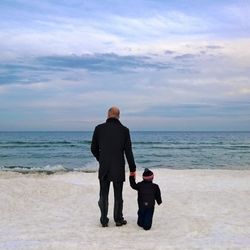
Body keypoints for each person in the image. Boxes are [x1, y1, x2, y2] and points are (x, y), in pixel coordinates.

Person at [91, 106, 136, 227]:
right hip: (118, 167)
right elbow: (128, 152)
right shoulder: (124, 130)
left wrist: (101, 159)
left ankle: (104, 220)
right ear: (119, 116)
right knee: (118, 195)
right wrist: (133, 169)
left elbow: (93, 148)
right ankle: (118, 219)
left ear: (108, 114)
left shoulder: (99, 128)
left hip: (104, 167)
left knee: (103, 194)